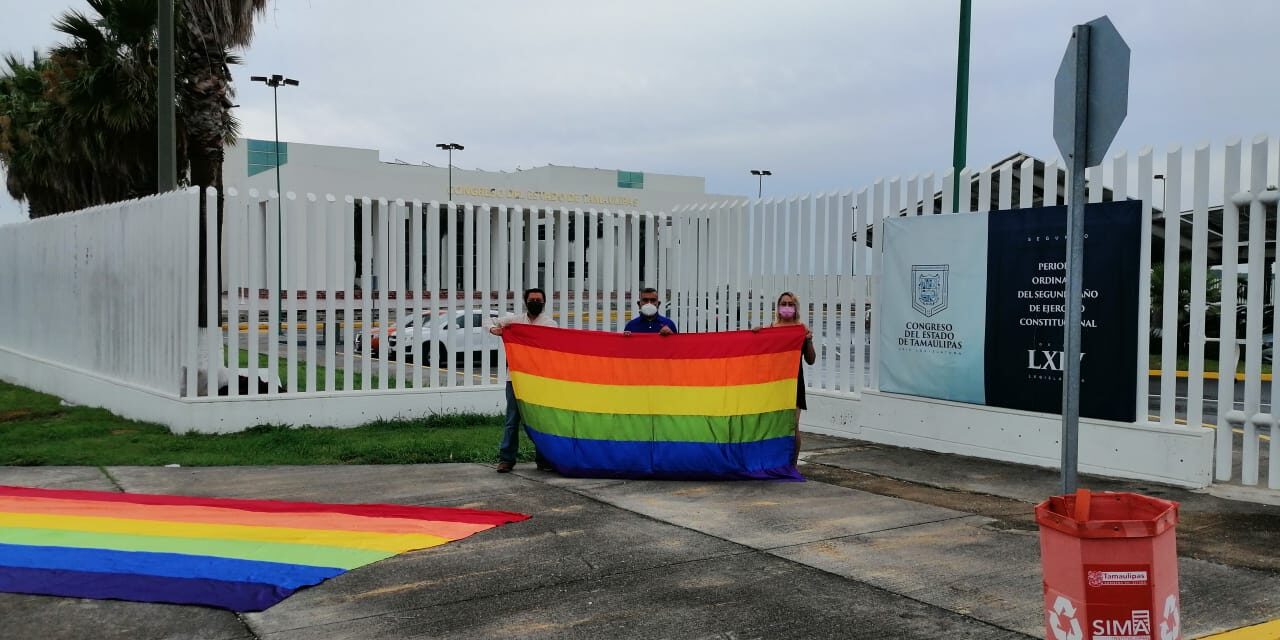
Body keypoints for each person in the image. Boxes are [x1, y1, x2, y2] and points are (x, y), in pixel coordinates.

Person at [489, 287, 558, 473]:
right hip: (515, 379)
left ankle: (543, 460)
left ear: (544, 303)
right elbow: (490, 320)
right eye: (532, 299)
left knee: (540, 421)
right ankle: (506, 459)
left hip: (539, 380)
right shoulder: (515, 321)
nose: (535, 303)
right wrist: (493, 329)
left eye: (538, 300)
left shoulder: (550, 325)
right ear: (525, 301)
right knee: (512, 420)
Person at [758, 291, 816, 466]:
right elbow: (760, 355)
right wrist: (756, 334)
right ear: (778, 307)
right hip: (775, 385)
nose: (787, 307)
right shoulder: (770, 329)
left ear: (795, 307)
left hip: (794, 384)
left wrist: (809, 341)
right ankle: (774, 461)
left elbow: (811, 360)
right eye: (784, 303)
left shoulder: (801, 330)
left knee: (793, 426)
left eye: (790, 304)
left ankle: (792, 465)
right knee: (775, 425)